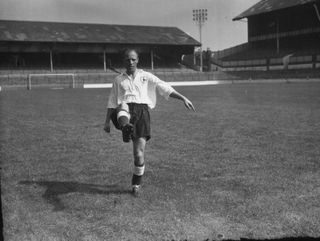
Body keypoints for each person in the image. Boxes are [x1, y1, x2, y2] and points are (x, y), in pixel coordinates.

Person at [104, 49, 195, 196]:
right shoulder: (118, 80)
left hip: (142, 113)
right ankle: (125, 127)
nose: (130, 62)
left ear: (138, 60)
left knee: (138, 154)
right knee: (123, 105)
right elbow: (112, 101)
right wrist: (107, 122)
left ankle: (136, 184)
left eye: (133, 59)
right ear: (124, 61)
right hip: (124, 111)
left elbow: (163, 87)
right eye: (127, 59)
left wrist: (183, 97)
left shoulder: (146, 76)